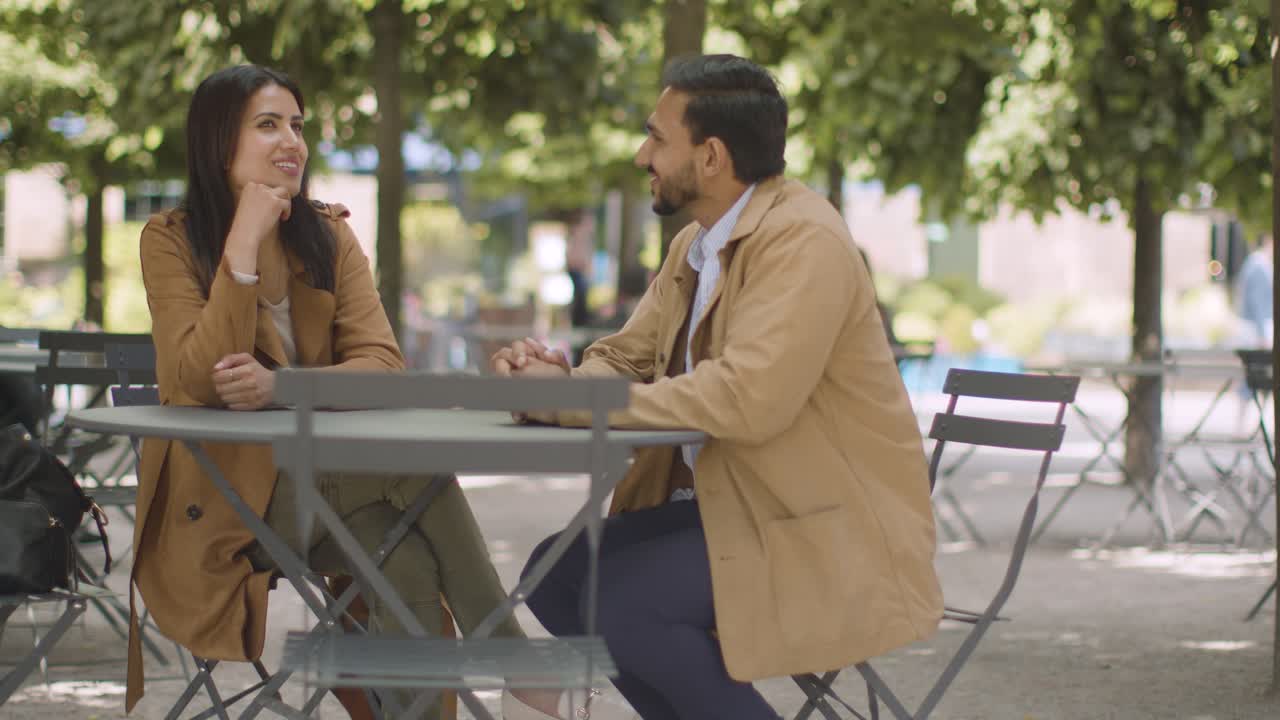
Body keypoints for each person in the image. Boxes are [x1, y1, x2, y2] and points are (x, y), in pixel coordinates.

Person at [492, 54, 942, 720]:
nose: (642, 155)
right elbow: (627, 358)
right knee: (555, 577)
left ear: (710, 156)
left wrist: (569, 404)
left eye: (657, 138)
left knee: (624, 604)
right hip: (745, 509)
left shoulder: (803, 241)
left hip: (829, 531)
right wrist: (553, 381)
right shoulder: (697, 246)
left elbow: (745, 398)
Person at [128, 65, 533, 719]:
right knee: (416, 466)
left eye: (297, 125)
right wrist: (242, 243)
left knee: (407, 562)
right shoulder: (170, 240)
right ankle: (515, 657)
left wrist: (282, 387)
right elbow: (200, 379)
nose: (292, 141)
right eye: (268, 125)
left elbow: (382, 368)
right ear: (218, 142)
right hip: (228, 501)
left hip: (331, 491)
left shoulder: (327, 235)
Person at [1236, 233, 1273, 348]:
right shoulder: (1259, 266)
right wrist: (1262, 333)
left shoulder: (1255, 263)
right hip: (1256, 328)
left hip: (1254, 325)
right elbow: (1257, 301)